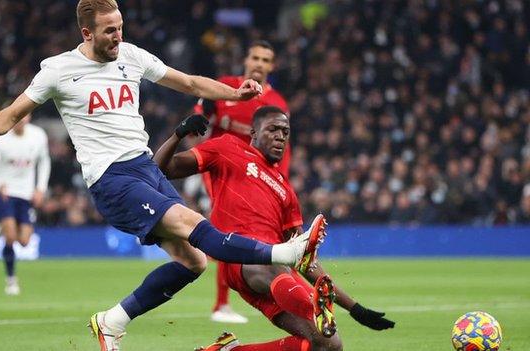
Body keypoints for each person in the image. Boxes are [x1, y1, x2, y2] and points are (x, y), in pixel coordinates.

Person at [0, 1, 322, 350]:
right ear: (87, 33)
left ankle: (112, 322)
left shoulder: (131, 56)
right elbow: (13, 113)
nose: (118, 36)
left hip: (146, 168)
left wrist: (235, 93)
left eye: (120, 27)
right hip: (112, 179)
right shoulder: (58, 70)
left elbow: (191, 84)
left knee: (194, 261)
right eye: (109, 31)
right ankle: (286, 254)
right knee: (193, 224)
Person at [154, 108, 395, 351]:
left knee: (328, 345)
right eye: (273, 129)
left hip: (276, 277)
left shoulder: (286, 192)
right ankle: (311, 305)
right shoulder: (228, 147)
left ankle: (229, 350)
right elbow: (161, 169)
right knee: (270, 262)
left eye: (285, 132)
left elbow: (304, 259)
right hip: (238, 258)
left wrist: (355, 308)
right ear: (254, 133)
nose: (281, 136)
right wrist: (178, 134)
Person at [195, 40, 290, 324]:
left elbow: (284, 146)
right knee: (227, 227)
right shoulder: (225, 87)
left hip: (255, 177)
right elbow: (202, 109)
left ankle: (250, 288)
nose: (259, 63)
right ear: (246, 60)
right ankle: (221, 305)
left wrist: (281, 180)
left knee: (243, 233)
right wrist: (197, 120)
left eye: (265, 59)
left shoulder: (277, 104)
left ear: (271, 67)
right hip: (220, 169)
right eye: (255, 57)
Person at [0, 114, 50, 295]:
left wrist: (40, 188)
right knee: (11, 238)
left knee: (25, 241)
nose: (21, 120)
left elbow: (44, 162)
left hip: (25, 193)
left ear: (28, 118)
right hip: (4, 193)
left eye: (25, 117)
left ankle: (1, 227)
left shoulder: (38, 135)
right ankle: (11, 280)